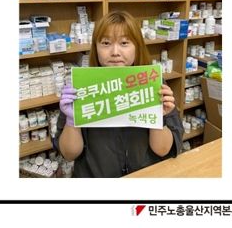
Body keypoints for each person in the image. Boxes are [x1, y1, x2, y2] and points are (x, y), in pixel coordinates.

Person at [56, 11, 183, 177]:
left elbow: (162, 150)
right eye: (106, 43)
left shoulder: (155, 86)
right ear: (96, 48)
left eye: (124, 43)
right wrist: (72, 121)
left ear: (137, 46)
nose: (115, 52)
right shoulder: (81, 88)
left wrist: (158, 118)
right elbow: (69, 154)